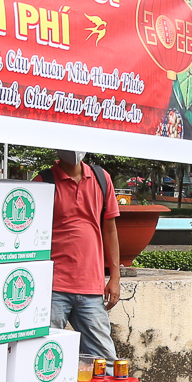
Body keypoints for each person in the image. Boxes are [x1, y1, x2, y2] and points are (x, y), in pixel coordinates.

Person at [38, 150, 120, 366]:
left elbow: (110, 230)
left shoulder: (101, 178)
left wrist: (115, 277)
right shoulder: (43, 182)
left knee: (105, 361)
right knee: (43, 355)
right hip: (53, 287)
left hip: (91, 287)